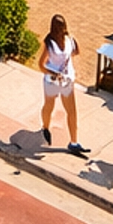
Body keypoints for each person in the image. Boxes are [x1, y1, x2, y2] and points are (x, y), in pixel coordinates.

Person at [40, 15, 89, 154]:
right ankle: (45, 127)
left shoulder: (69, 39)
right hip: (52, 80)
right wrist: (54, 73)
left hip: (66, 80)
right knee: (49, 106)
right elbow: (41, 65)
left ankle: (74, 142)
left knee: (72, 111)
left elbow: (76, 52)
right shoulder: (48, 43)